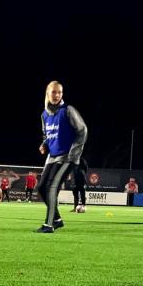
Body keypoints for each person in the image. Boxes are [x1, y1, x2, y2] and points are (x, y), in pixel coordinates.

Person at [37, 81, 87, 233]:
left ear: (62, 94)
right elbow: (47, 135)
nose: (56, 95)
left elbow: (83, 131)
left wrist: (74, 154)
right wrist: (44, 144)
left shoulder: (68, 110)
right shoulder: (44, 115)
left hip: (67, 157)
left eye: (59, 92)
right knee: (41, 189)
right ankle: (57, 219)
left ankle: (49, 224)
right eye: (53, 92)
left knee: (52, 188)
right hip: (52, 157)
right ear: (47, 93)